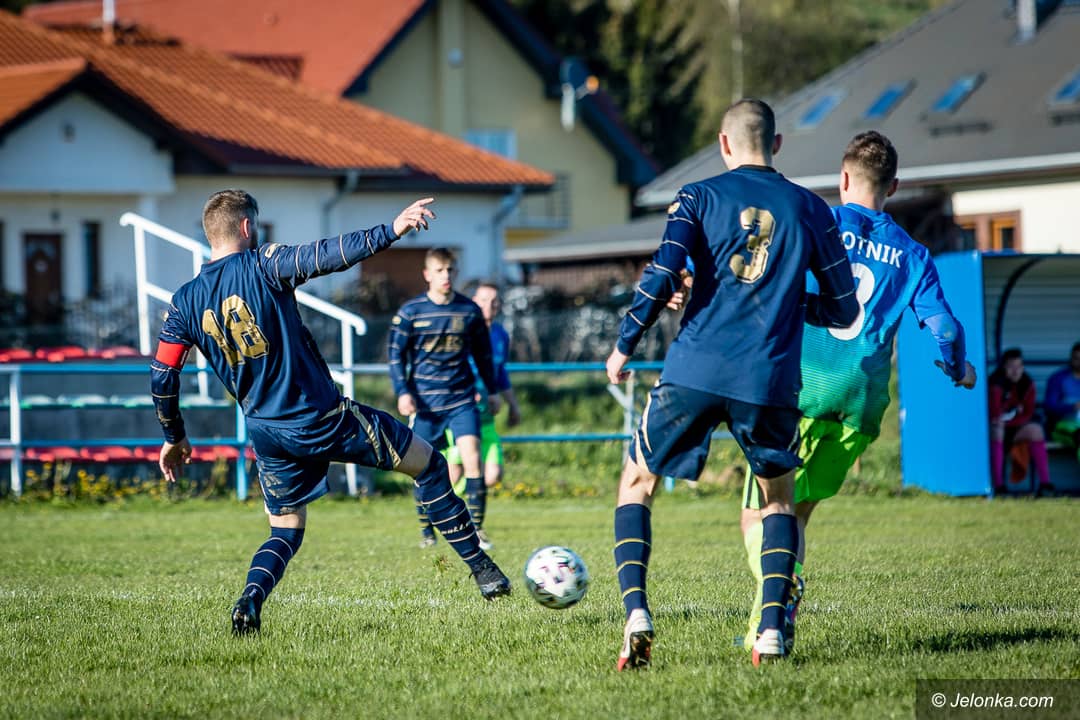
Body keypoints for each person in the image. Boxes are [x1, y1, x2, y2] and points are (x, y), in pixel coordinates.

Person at [151, 191, 511, 636]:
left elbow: (162, 374)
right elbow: (330, 254)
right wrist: (392, 229)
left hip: (266, 432)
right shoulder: (265, 264)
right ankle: (485, 572)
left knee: (285, 532)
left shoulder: (183, 301)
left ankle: (250, 599)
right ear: (247, 227)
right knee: (431, 465)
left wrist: (174, 435)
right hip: (322, 418)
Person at [604, 98, 859, 670]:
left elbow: (662, 272)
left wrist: (625, 344)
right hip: (767, 378)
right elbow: (845, 310)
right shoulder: (811, 208)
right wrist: (792, 303)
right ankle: (770, 630)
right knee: (778, 500)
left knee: (637, 482)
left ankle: (636, 613)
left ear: (722, 144)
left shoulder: (697, 196)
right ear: (777, 143)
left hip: (695, 370)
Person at [722, 131, 978, 657]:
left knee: (759, 515)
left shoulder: (817, 221)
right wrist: (960, 370)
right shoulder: (913, 254)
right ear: (894, 186)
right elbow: (946, 329)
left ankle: (786, 588)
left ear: (842, 178)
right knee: (795, 515)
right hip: (860, 402)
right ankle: (766, 633)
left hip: (801, 388)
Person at [388, 249, 501, 550]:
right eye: (439, 270)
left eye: (450, 270)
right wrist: (402, 391)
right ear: (427, 274)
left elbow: (484, 355)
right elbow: (396, 356)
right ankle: (427, 533)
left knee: (473, 458)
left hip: (461, 399)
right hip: (425, 403)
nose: (446, 276)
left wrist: (492, 391)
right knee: (420, 467)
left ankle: (477, 530)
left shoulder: (469, 311)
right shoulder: (411, 312)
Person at [444, 281, 522, 510]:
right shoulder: (462, 332)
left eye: (495, 301)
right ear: (474, 302)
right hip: (461, 413)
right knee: (455, 472)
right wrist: (469, 390)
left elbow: (500, 373)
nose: (490, 306)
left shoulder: (500, 334)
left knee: (492, 475)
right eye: (484, 300)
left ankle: (463, 506)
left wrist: (513, 405)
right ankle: (445, 510)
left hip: (487, 418)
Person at [989, 347, 1052, 494]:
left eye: (1019, 366)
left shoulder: (1027, 383)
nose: (1016, 371)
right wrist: (1010, 413)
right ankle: (999, 486)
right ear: (1003, 367)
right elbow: (995, 414)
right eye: (1011, 367)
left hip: (1014, 427)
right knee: (998, 430)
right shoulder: (995, 383)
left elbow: (1028, 413)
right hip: (995, 429)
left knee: (1036, 431)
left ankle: (1045, 484)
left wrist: (1012, 421)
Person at [1044, 341, 1080, 464]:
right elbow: (1049, 406)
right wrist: (1072, 407)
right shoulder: (1058, 378)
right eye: (1076, 358)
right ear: (1071, 358)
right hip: (1063, 425)